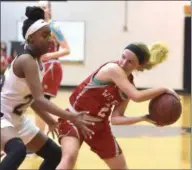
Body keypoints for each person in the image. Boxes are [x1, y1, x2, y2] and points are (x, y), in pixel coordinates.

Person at [0, 6, 100, 170]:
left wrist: (49, 121)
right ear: (30, 39)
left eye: (50, 35)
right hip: (2, 115)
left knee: (56, 155)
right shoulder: (27, 60)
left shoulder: (38, 62)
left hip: (16, 117)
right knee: (17, 150)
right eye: (45, 35)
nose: (50, 39)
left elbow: (32, 100)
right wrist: (71, 117)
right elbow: (40, 100)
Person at [56, 42, 179, 170]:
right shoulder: (112, 69)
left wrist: (144, 118)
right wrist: (163, 89)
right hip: (75, 119)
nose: (123, 63)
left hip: (99, 127)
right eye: (123, 57)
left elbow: (116, 119)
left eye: (130, 61)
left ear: (139, 65)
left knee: (121, 167)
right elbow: (136, 96)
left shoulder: (128, 86)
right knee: (69, 158)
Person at [35, 1, 71, 133]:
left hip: (50, 68)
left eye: (43, 7)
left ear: (49, 10)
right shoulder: (34, 28)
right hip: (37, 67)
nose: (41, 9)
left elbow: (67, 49)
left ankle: (38, 141)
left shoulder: (54, 27)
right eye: (38, 7)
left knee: (40, 104)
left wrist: (49, 55)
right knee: (36, 104)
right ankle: (64, 124)